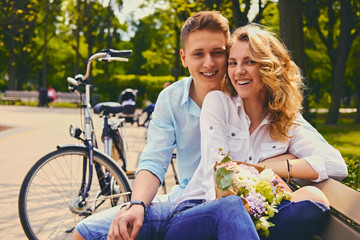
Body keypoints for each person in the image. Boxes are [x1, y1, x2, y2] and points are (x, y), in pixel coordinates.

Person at [73, 12, 330, 240]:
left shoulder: (255, 101)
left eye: (218, 53)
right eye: (199, 54)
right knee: (85, 233)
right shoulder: (173, 99)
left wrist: (274, 165)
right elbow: (154, 160)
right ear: (184, 58)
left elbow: (324, 157)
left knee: (305, 201)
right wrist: (137, 203)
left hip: (242, 205)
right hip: (184, 201)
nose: (209, 63)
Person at [171, 24, 348, 240]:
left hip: (255, 215)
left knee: (313, 198)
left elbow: (335, 164)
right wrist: (277, 169)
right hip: (201, 211)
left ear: (268, 67)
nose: (238, 71)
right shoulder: (218, 103)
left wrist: (265, 167)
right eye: (233, 63)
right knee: (231, 207)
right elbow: (219, 177)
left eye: (249, 62)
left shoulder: (286, 120)